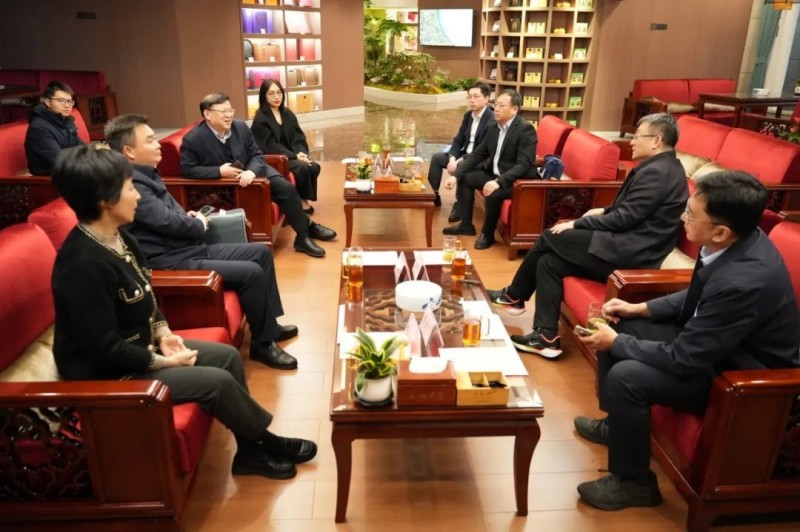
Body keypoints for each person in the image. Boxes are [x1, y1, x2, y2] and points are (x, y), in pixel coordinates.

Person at [50, 145, 318, 480]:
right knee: (217, 382)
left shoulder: (120, 237)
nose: (137, 196)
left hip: (139, 347)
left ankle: (250, 451)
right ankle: (265, 441)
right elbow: (104, 351)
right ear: (105, 200)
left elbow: (147, 294)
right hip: (109, 375)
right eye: (130, 188)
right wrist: (163, 362)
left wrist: (163, 333)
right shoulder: (81, 265)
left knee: (227, 357)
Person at [573, 170, 800, 510]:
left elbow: (684, 358)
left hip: (743, 380)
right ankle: (616, 424)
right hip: (715, 346)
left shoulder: (745, 279)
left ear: (721, 231)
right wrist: (641, 308)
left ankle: (633, 483)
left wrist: (615, 344)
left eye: (691, 215)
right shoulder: (735, 240)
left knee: (626, 376)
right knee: (620, 324)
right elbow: (700, 295)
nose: (682, 218)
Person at [105, 113, 300, 371]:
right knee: (251, 272)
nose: (158, 144)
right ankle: (262, 345)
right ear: (129, 151)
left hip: (185, 247)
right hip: (170, 259)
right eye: (150, 140)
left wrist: (187, 216)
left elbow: (166, 215)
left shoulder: (146, 173)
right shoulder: (131, 182)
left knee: (260, 253)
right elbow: (165, 222)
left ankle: (269, 327)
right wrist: (196, 224)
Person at [490, 113, 688, 358]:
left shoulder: (658, 172)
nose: (632, 142)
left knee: (551, 236)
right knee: (549, 263)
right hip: (626, 243)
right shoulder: (661, 167)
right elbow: (634, 209)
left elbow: (624, 219)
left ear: (657, 140)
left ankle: (514, 295)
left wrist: (578, 223)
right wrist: (603, 210)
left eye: (638, 136)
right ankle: (545, 337)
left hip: (631, 254)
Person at [180, 93, 336, 258]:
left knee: (287, 189)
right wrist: (219, 171)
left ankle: (303, 236)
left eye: (230, 110)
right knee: (268, 191)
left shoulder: (240, 127)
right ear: (207, 114)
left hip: (254, 170)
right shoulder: (193, 139)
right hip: (227, 184)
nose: (228, 115)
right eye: (223, 111)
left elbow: (257, 154)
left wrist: (252, 171)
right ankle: (308, 229)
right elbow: (187, 170)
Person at [442, 89, 537, 250]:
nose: (496, 109)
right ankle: (466, 224)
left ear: (514, 109)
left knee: (494, 192)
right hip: (495, 174)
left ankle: (487, 234)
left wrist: (499, 181)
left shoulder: (525, 130)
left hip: (517, 180)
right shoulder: (493, 127)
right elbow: (477, 154)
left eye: (501, 105)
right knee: (466, 177)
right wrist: (455, 176)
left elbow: (524, 164)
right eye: (496, 104)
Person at [251, 79, 320, 214]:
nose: (276, 97)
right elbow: (269, 145)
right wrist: (294, 156)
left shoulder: (287, 113)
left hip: (293, 155)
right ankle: (300, 200)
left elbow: (298, 137)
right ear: (264, 96)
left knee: (314, 166)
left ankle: (301, 197)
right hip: (276, 158)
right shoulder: (261, 118)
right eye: (271, 93)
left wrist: (301, 154)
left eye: (279, 92)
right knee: (301, 168)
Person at [428, 81, 495, 211]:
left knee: (461, 165)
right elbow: (458, 140)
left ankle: (460, 206)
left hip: (479, 159)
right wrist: (452, 157)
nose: (472, 100)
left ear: (486, 99)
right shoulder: (468, 116)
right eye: (469, 96)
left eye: (476, 97)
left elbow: (482, 151)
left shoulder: (491, 120)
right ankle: (434, 196)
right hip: (463, 154)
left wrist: (458, 161)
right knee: (437, 158)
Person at [24, 80, 85, 175]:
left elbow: (82, 148)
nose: (67, 105)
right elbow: (59, 161)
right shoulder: (39, 128)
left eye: (69, 101)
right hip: (48, 178)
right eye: (61, 101)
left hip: (69, 171)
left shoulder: (65, 122)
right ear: (48, 102)